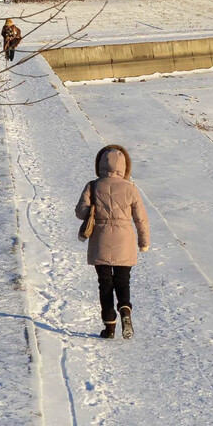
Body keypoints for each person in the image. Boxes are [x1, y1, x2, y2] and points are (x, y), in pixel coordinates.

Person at [75, 145, 150, 339]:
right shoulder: (131, 188)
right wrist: (144, 241)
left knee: (105, 283)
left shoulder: (93, 185)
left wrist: (94, 206)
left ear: (99, 164)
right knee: (123, 281)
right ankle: (125, 309)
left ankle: (109, 327)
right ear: (125, 166)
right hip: (125, 238)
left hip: (101, 237)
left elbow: (80, 212)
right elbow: (141, 218)